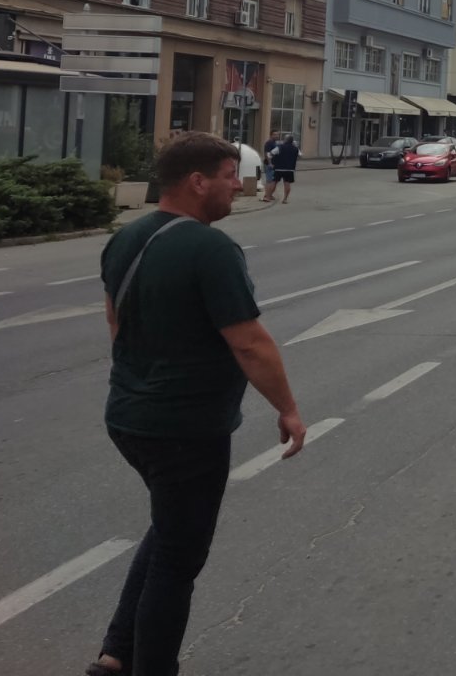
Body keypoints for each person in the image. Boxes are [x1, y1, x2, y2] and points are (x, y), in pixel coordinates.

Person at [88, 132, 305, 676]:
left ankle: (118, 653)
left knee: (169, 530)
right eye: (231, 175)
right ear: (197, 181)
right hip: (186, 428)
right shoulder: (211, 249)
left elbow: (116, 324)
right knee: (180, 558)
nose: (240, 185)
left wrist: (143, 380)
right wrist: (288, 410)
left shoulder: (125, 239)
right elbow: (249, 342)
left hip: (130, 417)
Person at [270, 133, 300, 204]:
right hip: (290, 169)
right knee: (287, 184)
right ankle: (285, 199)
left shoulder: (280, 147)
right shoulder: (295, 149)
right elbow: (300, 155)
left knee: (274, 182)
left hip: (279, 168)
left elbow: (271, 153)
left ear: (285, 140)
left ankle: (269, 195)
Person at [260, 130, 280, 201]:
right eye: (275, 134)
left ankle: (269, 195)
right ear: (271, 135)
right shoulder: (269, 143)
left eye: (277, 134)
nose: (276, 136)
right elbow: (266, 154)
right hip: (269, 164)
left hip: (274, 164)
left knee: (273, 180)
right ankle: (266, 196)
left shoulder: (275, 143)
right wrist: (269, 163)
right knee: (269, 181)